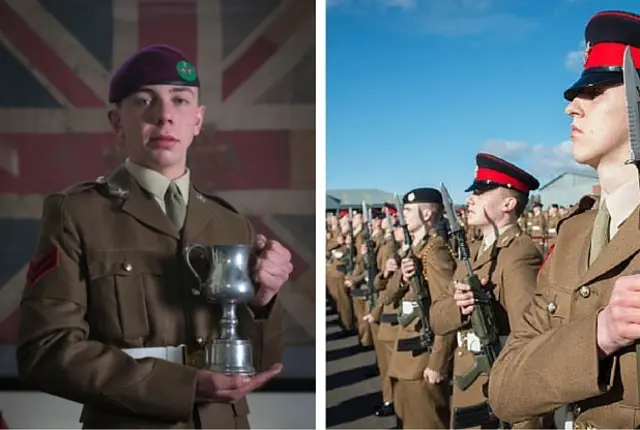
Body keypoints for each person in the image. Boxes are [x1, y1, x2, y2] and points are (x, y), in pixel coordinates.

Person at [16, 44, 293, 429]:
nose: (165, 116)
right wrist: (183, 386)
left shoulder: (232, 224)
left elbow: (258, 366)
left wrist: (264, 301)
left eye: (180, 101)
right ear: (116, 120)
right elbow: (44, 351)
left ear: (197, 121)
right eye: (144, 101)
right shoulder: (76, 213)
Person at [488, 11, 640, 429]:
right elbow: (504, 390)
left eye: (594, 90)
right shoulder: (574, 234)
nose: (572, 107)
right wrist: (600, 334)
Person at [431, 154, 548, 429]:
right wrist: (458, 307)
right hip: (470, 383)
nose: (470, 198)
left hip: (497, 388)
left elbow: (529, 338)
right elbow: (437, 318)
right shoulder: (472, 252)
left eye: (481, 193)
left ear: (508, 204)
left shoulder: (517, 254)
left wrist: (526, 420)